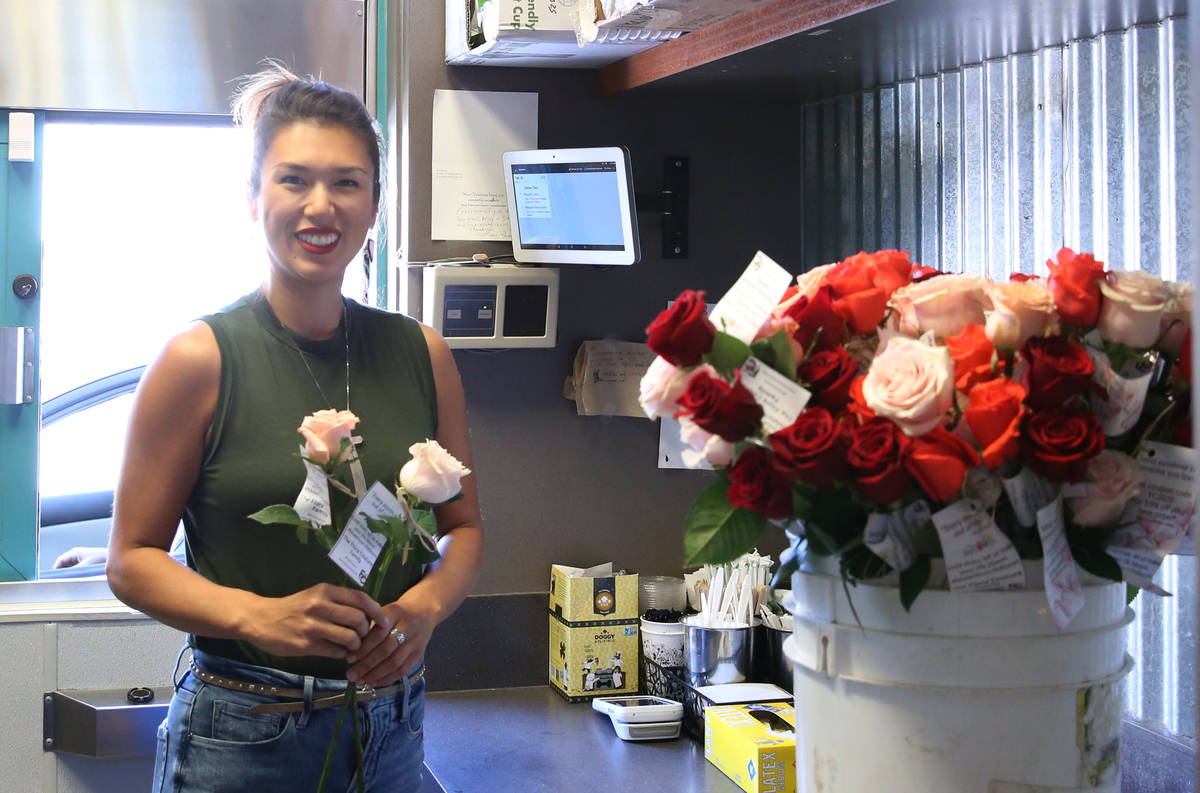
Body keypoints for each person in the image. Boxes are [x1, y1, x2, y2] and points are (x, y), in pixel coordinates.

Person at [105, 62, 484, 793]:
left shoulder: (420, 351)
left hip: (393, 727)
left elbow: (462, 529)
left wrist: (422, 610)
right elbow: (131, 559)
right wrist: (263, 618)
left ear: (374, 206)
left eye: (347, 182)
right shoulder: (199, 358)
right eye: (293, 180)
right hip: (246, 731)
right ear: (252, 199)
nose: (322, 206)